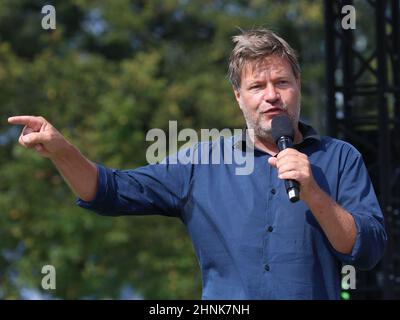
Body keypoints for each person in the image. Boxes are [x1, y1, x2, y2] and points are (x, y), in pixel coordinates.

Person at [8, 28, 387, 299]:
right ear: (238, 97)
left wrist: (315, 194)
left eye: (282, 83)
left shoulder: (339, 158)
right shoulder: (202, 162)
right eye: (257, 87)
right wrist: (62, 151)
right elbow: (110, 191)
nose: (272, 96)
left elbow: (367, 252)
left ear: (298, 85)